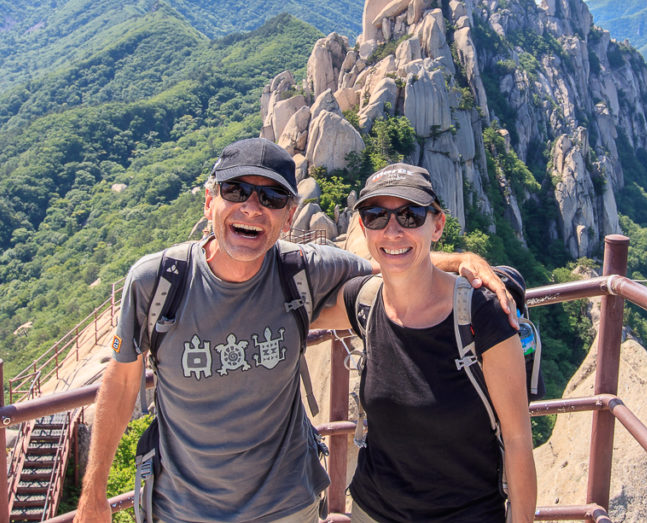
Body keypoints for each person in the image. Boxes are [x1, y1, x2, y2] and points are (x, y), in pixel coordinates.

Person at [77, 138, 510, 523]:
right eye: (236, 190)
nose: (252, 207)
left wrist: (458, 260)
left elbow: (395, 260)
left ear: (288, 216)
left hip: (289, 506)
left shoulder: (300, 272)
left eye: (270, 198)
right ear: (209, 201)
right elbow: (122, 380)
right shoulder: (156, 282)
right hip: (182, 509)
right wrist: (94, 491)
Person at [315, 164, 537, 523]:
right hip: (373, 511)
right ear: (362, 228)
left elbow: (517, 441)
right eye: (376, 216)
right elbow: (295, 314)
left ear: (437, 225)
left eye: (409, 215)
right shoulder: (364, 300)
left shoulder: (481, 316)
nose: (392, 229)